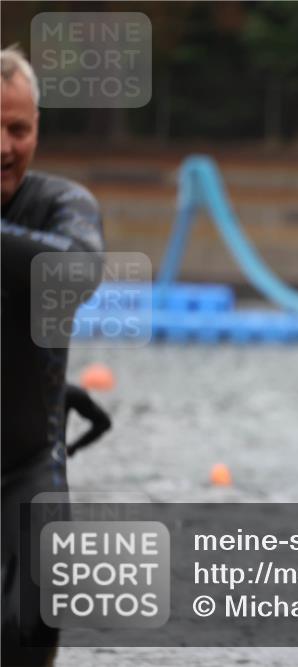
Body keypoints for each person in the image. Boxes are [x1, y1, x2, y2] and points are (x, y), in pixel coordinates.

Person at [1, 46, 104, 667]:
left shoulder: (64, 204)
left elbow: (75, 270)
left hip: (27, 466)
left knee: (28, 631)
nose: (4, 146)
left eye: (19, 129)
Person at [64, 384, 112, 457]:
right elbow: (104, 423)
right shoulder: (70, 393)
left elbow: (104, 423)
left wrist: (73, 447)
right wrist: (73, 448)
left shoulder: (70, 393)